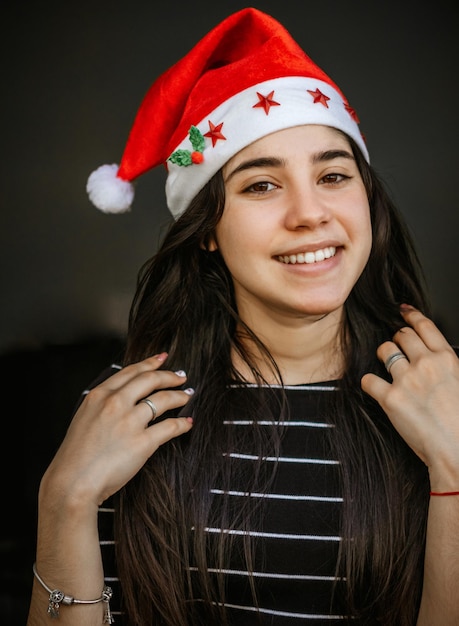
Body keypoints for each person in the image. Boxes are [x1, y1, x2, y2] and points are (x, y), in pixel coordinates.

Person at [26, 7, 459, 626]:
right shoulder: (128, 413)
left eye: (334, 175)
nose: (311, 214)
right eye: (261, 185)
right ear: (207, 230)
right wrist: (63, 500)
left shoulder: (451, 399)